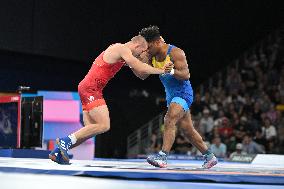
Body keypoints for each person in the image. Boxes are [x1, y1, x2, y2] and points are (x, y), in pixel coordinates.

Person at [49, 35, 174, 164]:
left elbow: (141, 74)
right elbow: (141, 67)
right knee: (104, 125)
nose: (141, 54)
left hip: (88, 88)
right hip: (91, 89)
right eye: (142, 51)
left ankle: (57, 152)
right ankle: (64, 141)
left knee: (90, 130)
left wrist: (155, 61)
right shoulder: (120, 48)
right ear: (137, 46)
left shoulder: (122, 55)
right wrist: (161, 70)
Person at [138, 25, 218, 168]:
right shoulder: (152, 55)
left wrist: (172, 71)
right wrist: (134, 62)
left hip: (183, 93)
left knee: (169, 119)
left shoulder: (175, 53)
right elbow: (143, 75)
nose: (147, 50)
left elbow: (186, 75)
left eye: (148, 47)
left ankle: (162, 157)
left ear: (157, 42)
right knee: (188, 130)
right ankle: (210, 157)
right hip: (171, 96)